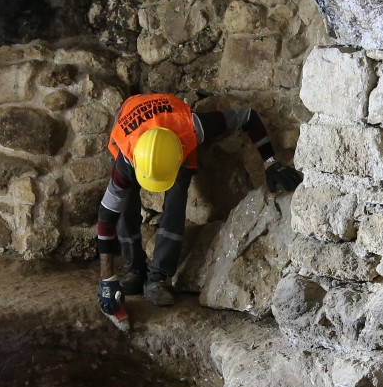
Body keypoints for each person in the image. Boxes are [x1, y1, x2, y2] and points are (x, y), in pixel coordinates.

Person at [95, 93, 302, 329]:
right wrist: (106, 279)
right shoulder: (126, 155)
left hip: (173, 141)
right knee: (124, 209)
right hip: (133, 129)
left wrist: (271, 162)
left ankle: (159, 277)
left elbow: (248, 116)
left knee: (175, 205)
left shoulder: (192, 128)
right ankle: (134, 270)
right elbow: (106, 216)